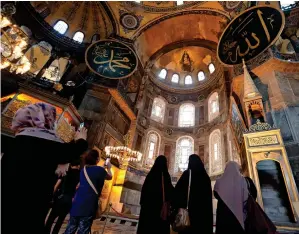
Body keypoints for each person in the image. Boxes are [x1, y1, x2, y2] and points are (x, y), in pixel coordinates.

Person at [1, 103, 88, 234]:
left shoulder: (12, 143)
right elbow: (73, 151)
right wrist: (81, 139)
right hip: (32, 208)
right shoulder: (49, 146)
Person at [64, 150, 112, 234]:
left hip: (77, 202)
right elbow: (109, 177)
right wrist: (109, 168)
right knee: (83, 230)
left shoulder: (83, 170)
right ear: (97, 159)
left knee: (70, 229)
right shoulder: (100, 170)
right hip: (88, 204)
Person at [173, 154, 213, 234]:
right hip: (202, 216)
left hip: (189, 215)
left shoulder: (187, 174)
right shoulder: (206, 177)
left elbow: (177, 193)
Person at [137, 155, 174, 234]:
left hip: (147, 210)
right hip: (160, 211)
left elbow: (144, 192)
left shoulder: (150, 175)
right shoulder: (166, 176)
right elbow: (170, 193)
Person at [45, 159, 82, 234]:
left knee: (51, 219)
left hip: (60, 198)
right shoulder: (80, 176)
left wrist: (53, 195)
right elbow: (78, 187)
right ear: (78, 166)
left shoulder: (66, 173)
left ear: (71, 165)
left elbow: (56, 185)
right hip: (69, 200)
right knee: (60, 221)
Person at [214, 161, 249, 234]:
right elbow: (246, 196)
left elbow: (215, 194)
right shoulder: (242, 180)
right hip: (238, 211)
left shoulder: (219, 181)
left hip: (223, 212)